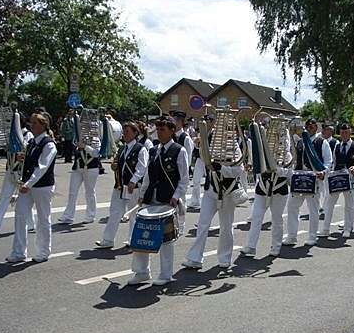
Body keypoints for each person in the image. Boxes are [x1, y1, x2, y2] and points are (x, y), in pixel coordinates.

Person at [128, 117, 189, 286]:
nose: (159, 133)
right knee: (141, 236)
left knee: (166, 240)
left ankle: (165, 274)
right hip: (150, 199)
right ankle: (142, 272)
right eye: (158, 129)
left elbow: (184, 179)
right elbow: (148, 176)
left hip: (167, 200)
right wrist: (142, 194)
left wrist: (176, 197)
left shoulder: (179, 151)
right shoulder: (154, 150)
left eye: (162, 129)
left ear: (171, 130)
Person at [182, 128, 245, 270]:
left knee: (226, 227)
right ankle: (195, 258)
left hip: (228, 193)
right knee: (203, 223)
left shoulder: (235, 149)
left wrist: (221, 168)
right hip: (211, 191)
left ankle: (225, 257)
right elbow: (204, 160)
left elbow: (238, 171)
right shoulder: (212, 146)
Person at [6, 113, 57, 263]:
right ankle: (19, 251)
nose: (31, 125)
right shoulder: (32, 143)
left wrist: (29, 184)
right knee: (20, 215)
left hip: (42, 186)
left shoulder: (49, 144)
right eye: (31, 122)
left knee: (43, 218)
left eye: (35, 123)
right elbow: (31, 163)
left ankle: (43, 251)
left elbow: (42, 167)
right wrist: (24, 159)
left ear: (43, 125)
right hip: (28, 185)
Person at [241, 122, 293, 258]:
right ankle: (251, 246)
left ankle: (276, 246)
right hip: (263, 188)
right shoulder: (263, 151)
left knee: (277, 219)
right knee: (256, 217)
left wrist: (278, 169)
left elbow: (289, 172)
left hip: (279, 189)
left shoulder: (286, 155)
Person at [96, 121, 148, 249]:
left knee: (133, 215)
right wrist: (115, 165)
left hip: (132, 187)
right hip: (119, 185)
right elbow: (118, 163)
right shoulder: (122, 148)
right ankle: (107, 240)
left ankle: (132, 239)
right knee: (114, 212)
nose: (124, 134)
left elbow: (142, 167)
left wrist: (133, 180)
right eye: (124, 132)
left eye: (127, 132)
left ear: (135, 133)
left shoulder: (140, 148)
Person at [0, 114, 35, 233]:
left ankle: (30, 224)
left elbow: (28, 152)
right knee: (5, 197)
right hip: (10, 169)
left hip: (20, 171)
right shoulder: (11, 137)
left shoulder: (27, 135)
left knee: (24, 198)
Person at [284, 118, 332, 246]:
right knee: (292, 207)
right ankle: (292, 236)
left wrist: (323, 173)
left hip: (314, 178)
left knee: (313, 209)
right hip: (300, 178)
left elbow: (328, 161)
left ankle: (312, 236)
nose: (310, 127)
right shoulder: (300, 142)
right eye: (308, 125)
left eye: (312, 125)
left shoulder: (322, 142)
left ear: (317, 127)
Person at [319, 123, 354, 238]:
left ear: (350, 133)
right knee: (329, 203)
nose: (344, 134)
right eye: (342, 132)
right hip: (337, 178)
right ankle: (325, 229)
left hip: (350, 179)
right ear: (339, 133)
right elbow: (333, 162)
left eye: (346, 132)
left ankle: (347, 229)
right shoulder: (337, 146)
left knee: (349, 205)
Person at [58, 110, 101, 225]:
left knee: (89, 192)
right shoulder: (79, 136)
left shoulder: (95, 137)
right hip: (78, 166)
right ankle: (68, 215)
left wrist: (85, 146)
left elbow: (96, 153)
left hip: (91, 167)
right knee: (72, 192)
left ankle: (90, 215)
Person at [187, 116, 210, 210]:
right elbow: (197, 147)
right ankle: (195, 201)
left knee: (210, 182)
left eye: (206, 121)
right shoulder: (201, 133)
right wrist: (197, 142)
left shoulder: (213, 133)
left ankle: (209, 202)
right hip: (200, 159)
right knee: (196, 180)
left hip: (209, 160)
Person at [320, 124, 338, 217]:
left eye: (326, 130)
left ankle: (324, 208)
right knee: (320, 189)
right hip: (320, 169)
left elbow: (335, 157)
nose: (323, 131)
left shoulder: (335, 142)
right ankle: (321, 207)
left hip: (330, 170)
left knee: (327, 190)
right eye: (324, 129)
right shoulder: (320, 140)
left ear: (331, 131)